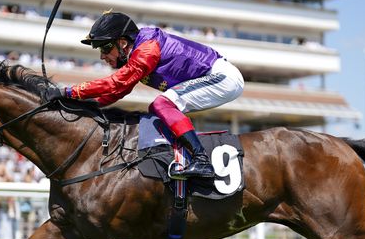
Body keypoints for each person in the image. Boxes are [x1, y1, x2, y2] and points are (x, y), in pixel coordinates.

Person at [44, 11, 244, 179]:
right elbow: (118, 91)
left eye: (105, 48)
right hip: (216, 77)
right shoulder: (137, 52)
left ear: (123, 43)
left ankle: (201, 160)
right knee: (160, 107)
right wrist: (83, 105)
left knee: (162, 105)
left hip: (222, 77)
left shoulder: (147, 49)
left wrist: (68, 91)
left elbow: (116, 82)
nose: (102, 56)